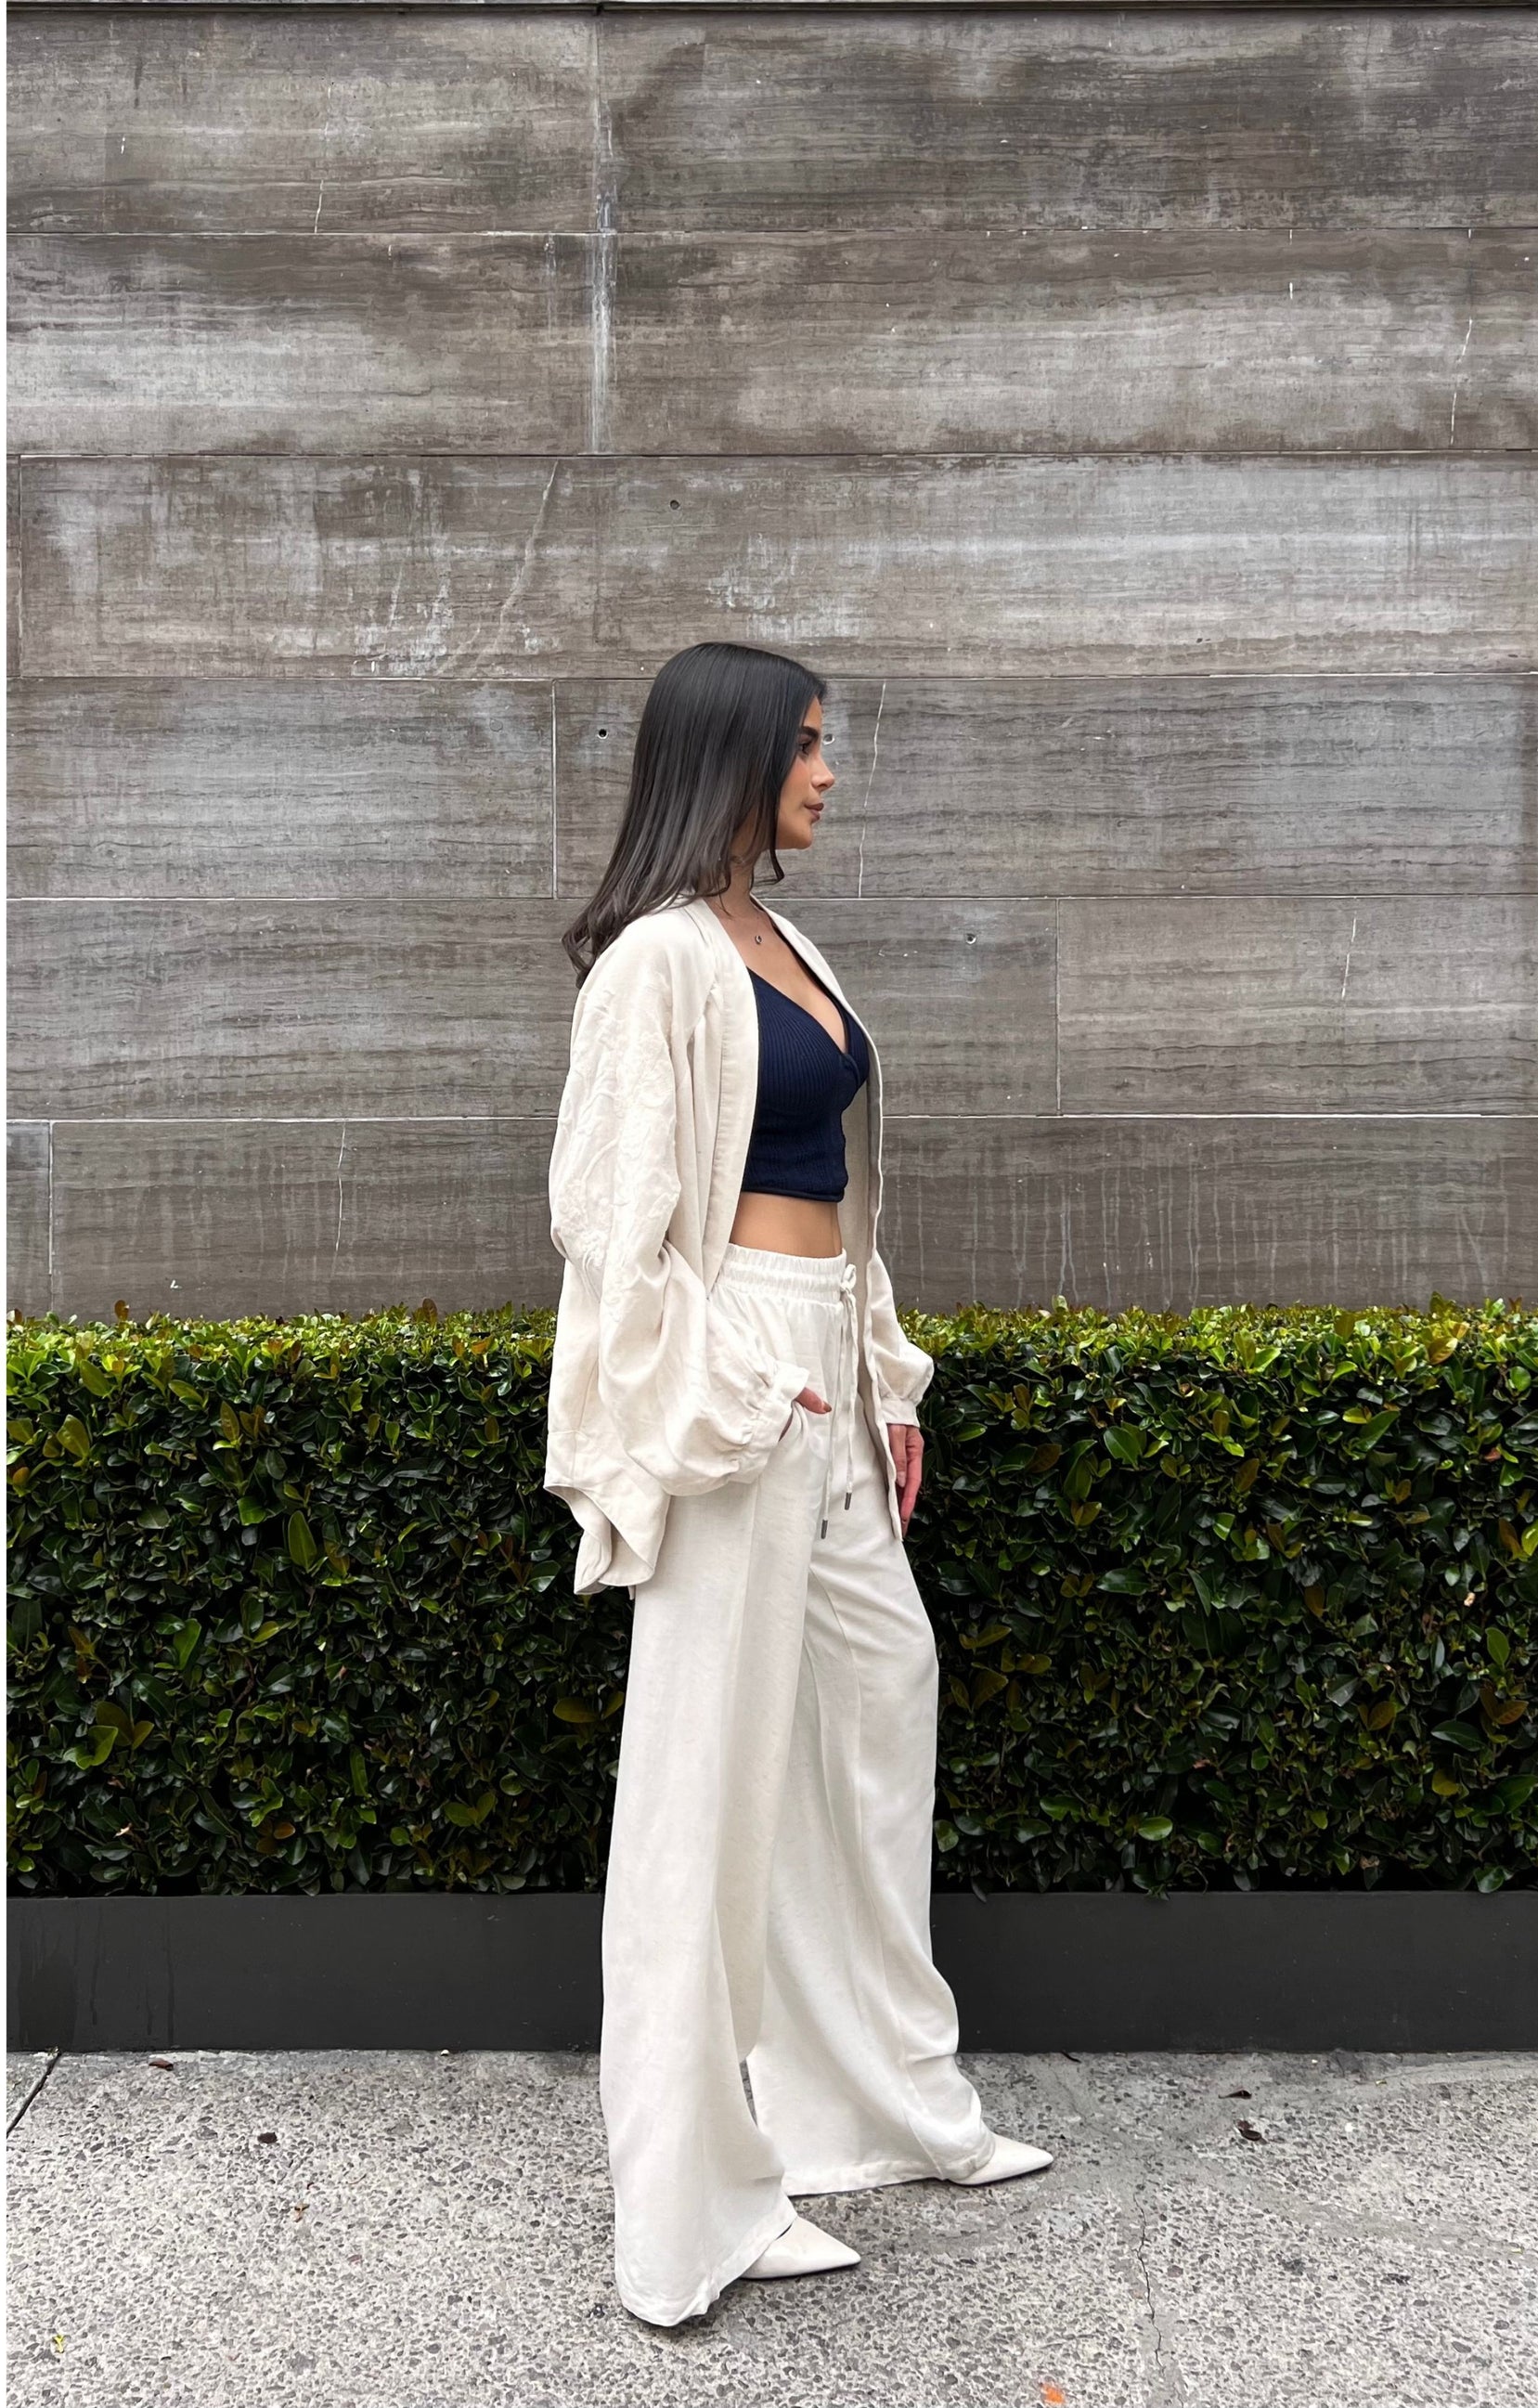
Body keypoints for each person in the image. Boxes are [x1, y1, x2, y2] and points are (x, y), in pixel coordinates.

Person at [544, 641, 1053, 2328]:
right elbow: (611, 1222)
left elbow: (837, 1188)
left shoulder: (783, 940)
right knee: (702, 1782)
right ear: (736, 757)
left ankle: (866, 2104)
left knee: (874, 1696)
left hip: (820, 1359)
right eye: (811, 745)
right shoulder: (657, 963)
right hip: (736, 1380)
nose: (831, 773)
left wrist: (876, 1371)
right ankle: (688, 2203)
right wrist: (731, 1387)